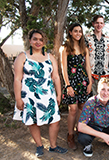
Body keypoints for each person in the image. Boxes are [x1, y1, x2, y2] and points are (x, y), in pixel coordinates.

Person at [13, 29, 68, 157]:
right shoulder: (23, 56)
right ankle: (39, 145)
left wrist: (59, 94)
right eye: (35, 39)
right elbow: (17, 79)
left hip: (48, 94)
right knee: (32, 121)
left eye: (41, 39)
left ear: (44, 42)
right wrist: (18, 98)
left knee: (55, 121)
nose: (38, 42)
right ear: (30, 40)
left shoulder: (50, 57)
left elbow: (56, 77)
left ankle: (53, 146)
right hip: (29, 95)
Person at [61, 23, 92, 150]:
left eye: (80, 31)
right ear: (70, 32)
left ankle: (80, 130)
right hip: (72, 82)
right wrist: (68, 85)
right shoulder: (65, 48)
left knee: (81, 107)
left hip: (83, 82)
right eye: (75, 31)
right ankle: (70, 135)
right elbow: (63, 68)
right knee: (72, 109)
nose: (78, 33)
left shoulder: (84, 47)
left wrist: (90, 82)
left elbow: (88, 66)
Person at [85, 15, 109, 95]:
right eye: (97, 23)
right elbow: (85, 58)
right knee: (94, 101)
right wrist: (88, 76)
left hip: (105, 75)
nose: (99, 25)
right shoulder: (87, 38)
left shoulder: (108, 39)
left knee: (107, 99)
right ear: (93, 23)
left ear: (104, 25)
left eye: (101, 23)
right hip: (92, 75)